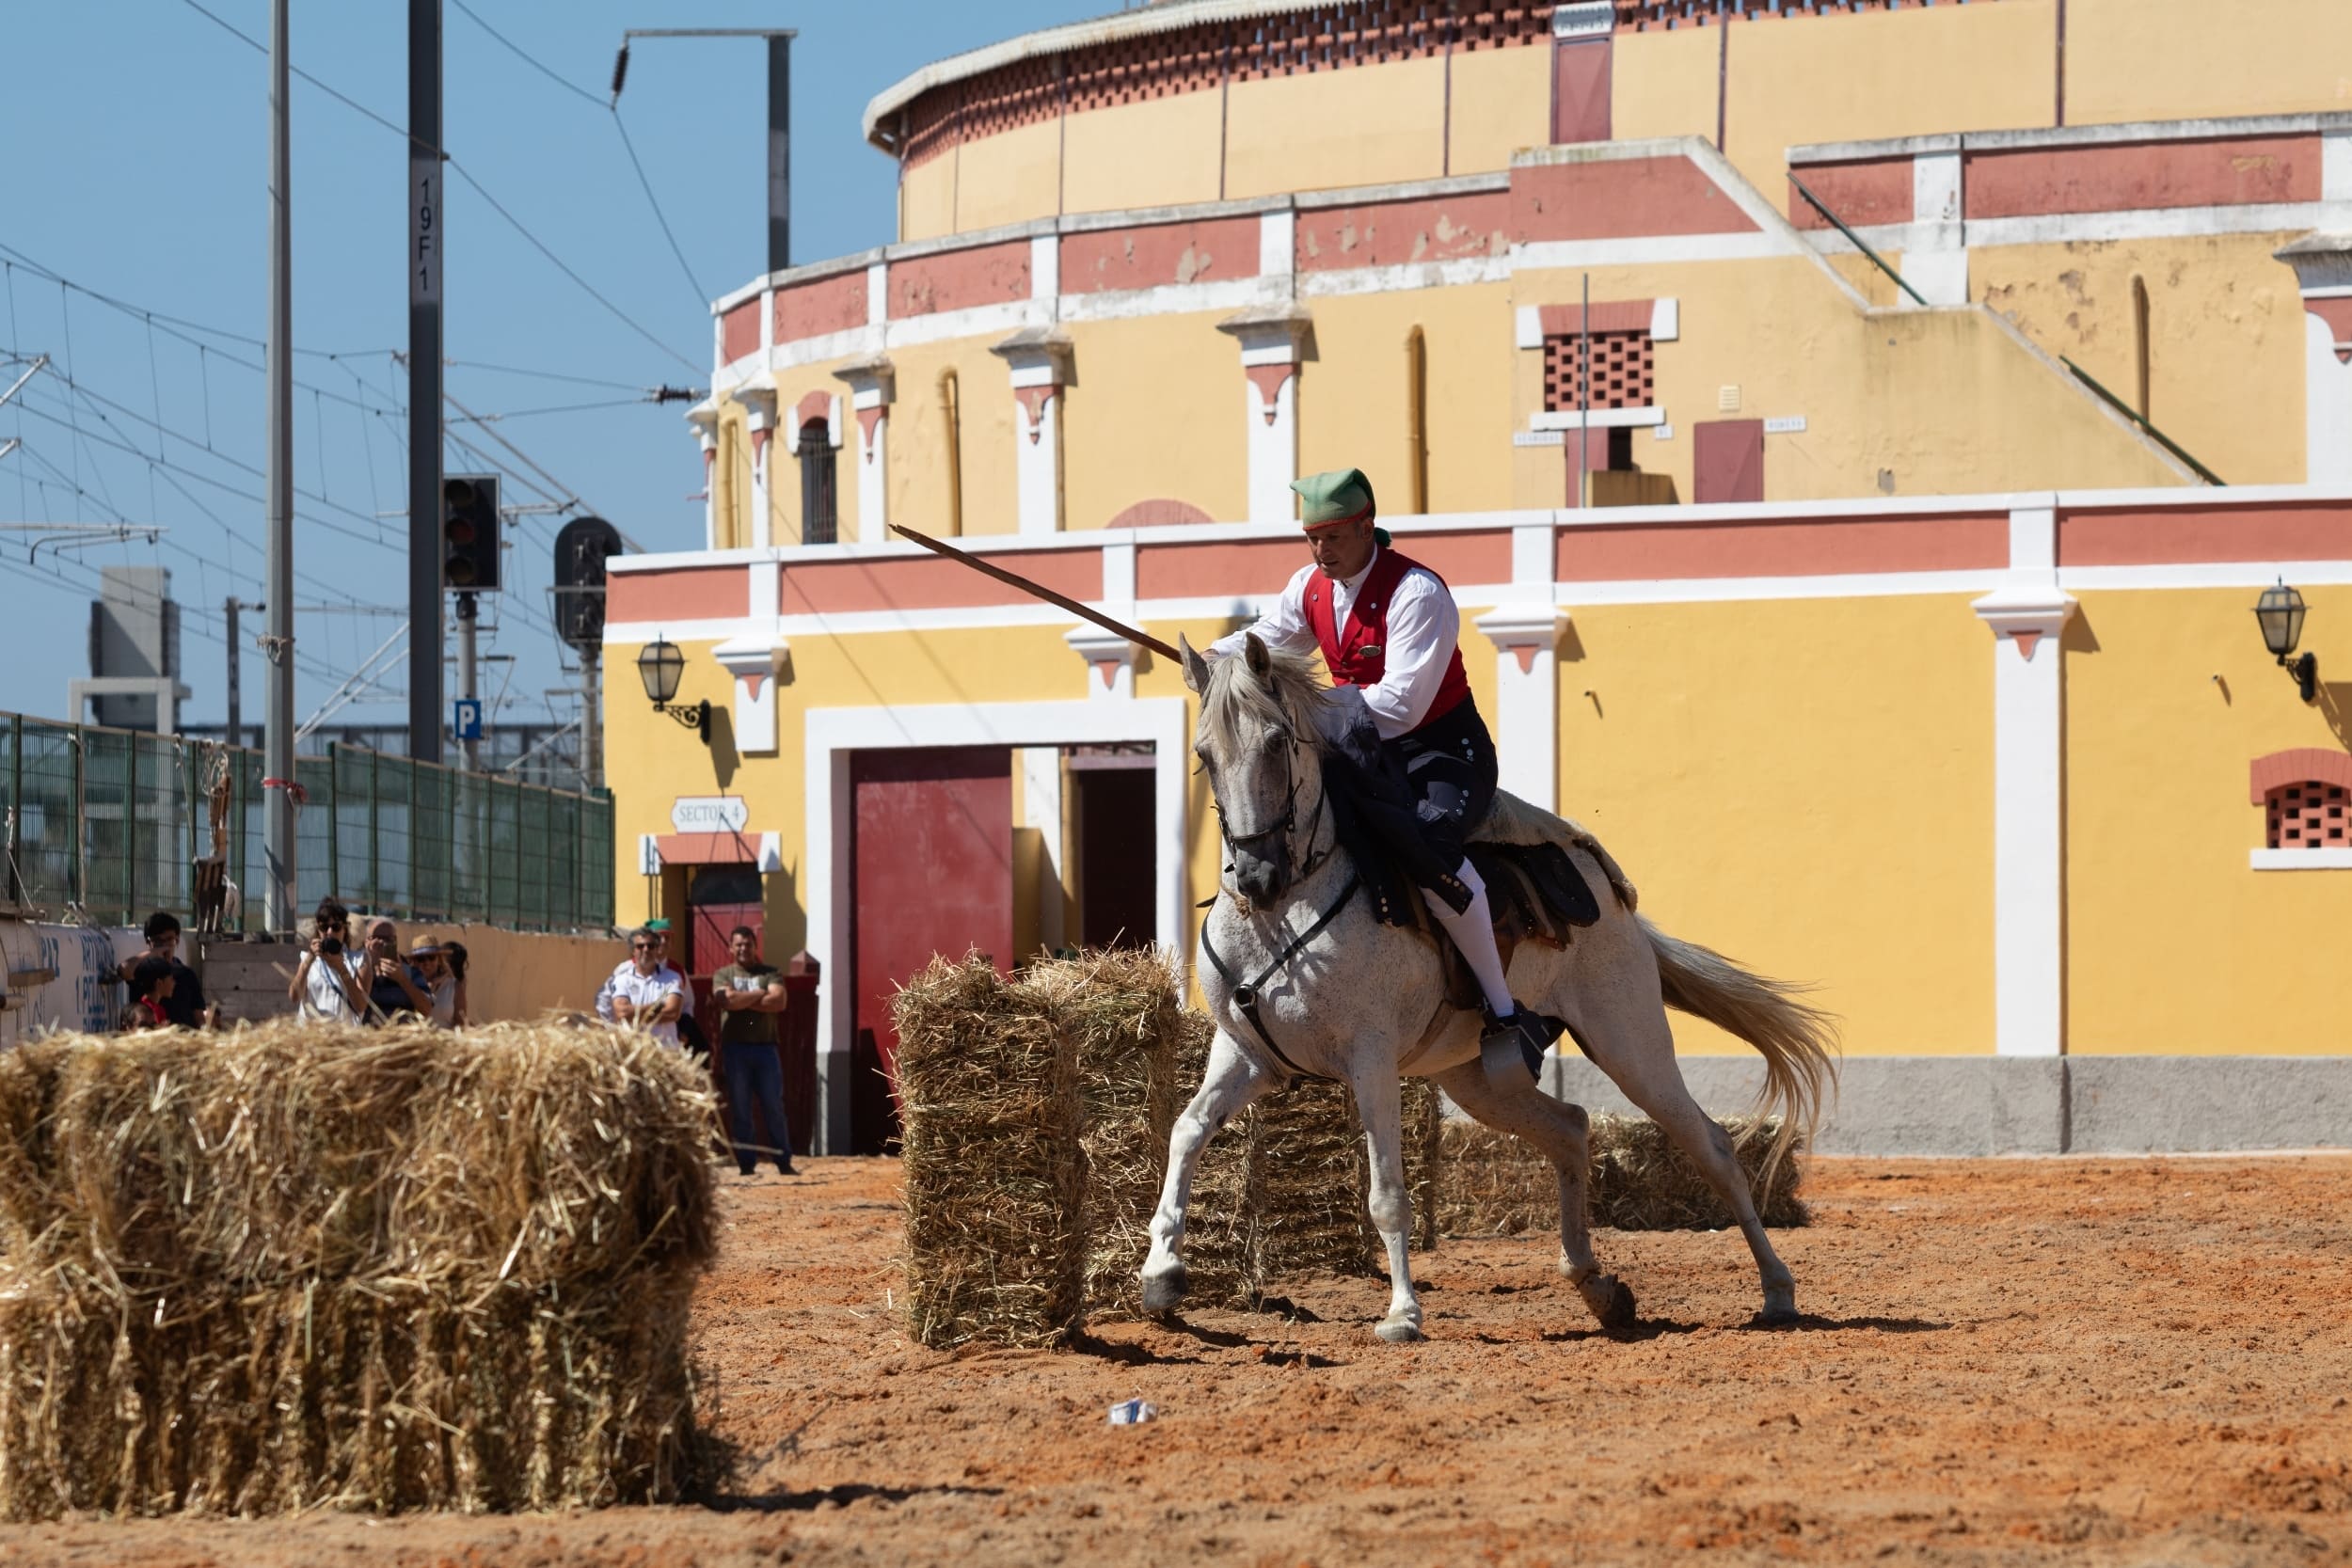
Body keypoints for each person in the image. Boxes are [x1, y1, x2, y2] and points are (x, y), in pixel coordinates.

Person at [1206, 467, 1558, 1077]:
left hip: (1443, 753)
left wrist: (1313, 707)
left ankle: (1505, 1013)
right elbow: (1269, 635)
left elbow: (1402, 706)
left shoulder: (1417, 593)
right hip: (1362, 749)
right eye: (1313, 538)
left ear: (1368, 525)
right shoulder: (1309, 586)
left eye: (1335, 537)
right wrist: (1219, 657)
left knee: (1424, 842)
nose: (1323, 551)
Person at [710, 926, 797, 1178]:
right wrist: (760, 994)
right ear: (730, 947)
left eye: (747, 944)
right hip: (735, 1048)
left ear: (754, 946)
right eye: (738, 944)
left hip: (765, 1048)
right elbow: (726, 1001)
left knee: (773, 1105)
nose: (743, 949)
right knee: (740, 1108)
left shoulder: (771, 972)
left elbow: (778, 1002)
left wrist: (742, 999)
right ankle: (746, 1163)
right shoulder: (722, 974)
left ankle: (783, 1160)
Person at [596, 927, 687, 1048]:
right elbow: (622, 1013)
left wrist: (633, 1014)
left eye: (651, 946)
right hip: (633, 1053)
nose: (646, 950)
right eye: (640, 946)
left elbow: (673, 1013)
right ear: (633, 951)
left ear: (656, 949)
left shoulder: (673, 978)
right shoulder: (622, 979)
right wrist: (656, 1007)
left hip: (665, 1052)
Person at [133, 911, 218, 1029]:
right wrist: (153, 953)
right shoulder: (142, 971)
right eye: (158, 941)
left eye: (169, 940)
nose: (165, 946)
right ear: (148, 942)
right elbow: (123, 970)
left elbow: (198, 1016)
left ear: (177, 941)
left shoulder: (186, 975)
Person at [289, 898, 369, 1022]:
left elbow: (361, 1006)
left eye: (335, 927)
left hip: (345, 1036)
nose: (330, 932)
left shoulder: (359, 960)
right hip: (313, 1036)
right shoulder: (307, 959)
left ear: (344, 929)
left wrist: (341, 969)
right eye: (324, 927)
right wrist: (308, 961)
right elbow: (294, 997)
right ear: (318, 930)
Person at [359, 919, 433, 1024]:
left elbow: (427, 1010)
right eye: (377, 938)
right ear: (366, 942)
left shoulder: (411, 973)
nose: (382, 943)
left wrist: (402, 979)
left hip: (400, 1038)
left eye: (388, 939)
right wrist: (369, 966)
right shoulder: (357, 970)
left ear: (396, 941)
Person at [408, 936, 468, 1028]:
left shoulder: (453, 986)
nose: (427, 963)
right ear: (414, 962)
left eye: (431, 957)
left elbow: (461, 1023)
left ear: (439, 960)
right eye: (421, 959)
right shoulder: (408, 986)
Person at [119, 955, 176, 1032]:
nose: (174, 983)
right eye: (171, 979)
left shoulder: (158, 1008)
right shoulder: (148, 1012)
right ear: (159, 983)